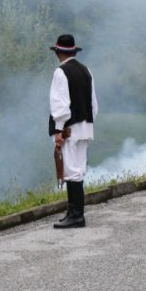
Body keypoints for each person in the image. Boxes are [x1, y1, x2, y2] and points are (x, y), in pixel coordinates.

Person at [48, 34, 99, 228]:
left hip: (69, 128)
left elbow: (61, 105)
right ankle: (75, 212)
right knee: (78, 170)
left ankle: (76, 215)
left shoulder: (60, 72)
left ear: (58, 52)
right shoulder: (86, 70)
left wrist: (58, 129)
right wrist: (87, 122)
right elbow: (94, 104)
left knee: (71, 170)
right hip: (85, 126)